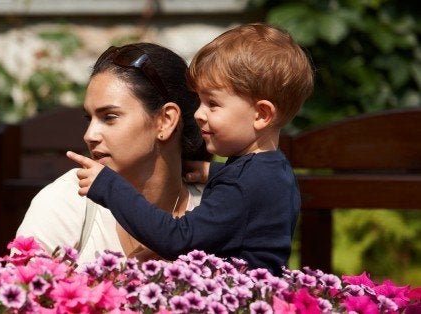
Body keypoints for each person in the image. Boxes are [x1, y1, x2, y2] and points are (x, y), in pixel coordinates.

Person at [67, 23, 314, 275]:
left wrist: (109, 187)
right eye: (199, 101)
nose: (198, 113)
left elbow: (178, 239)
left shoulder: (243, 185)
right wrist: (211, 172)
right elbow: (246, 192)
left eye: (212, 103)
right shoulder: (273, 169)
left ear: (261, 114)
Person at [16, 43, 211, 264]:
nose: (90, 135)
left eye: (109, 117)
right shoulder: (69, 200)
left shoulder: (217, 207)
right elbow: (23, 291)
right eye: (89, 119)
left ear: (165, 121)